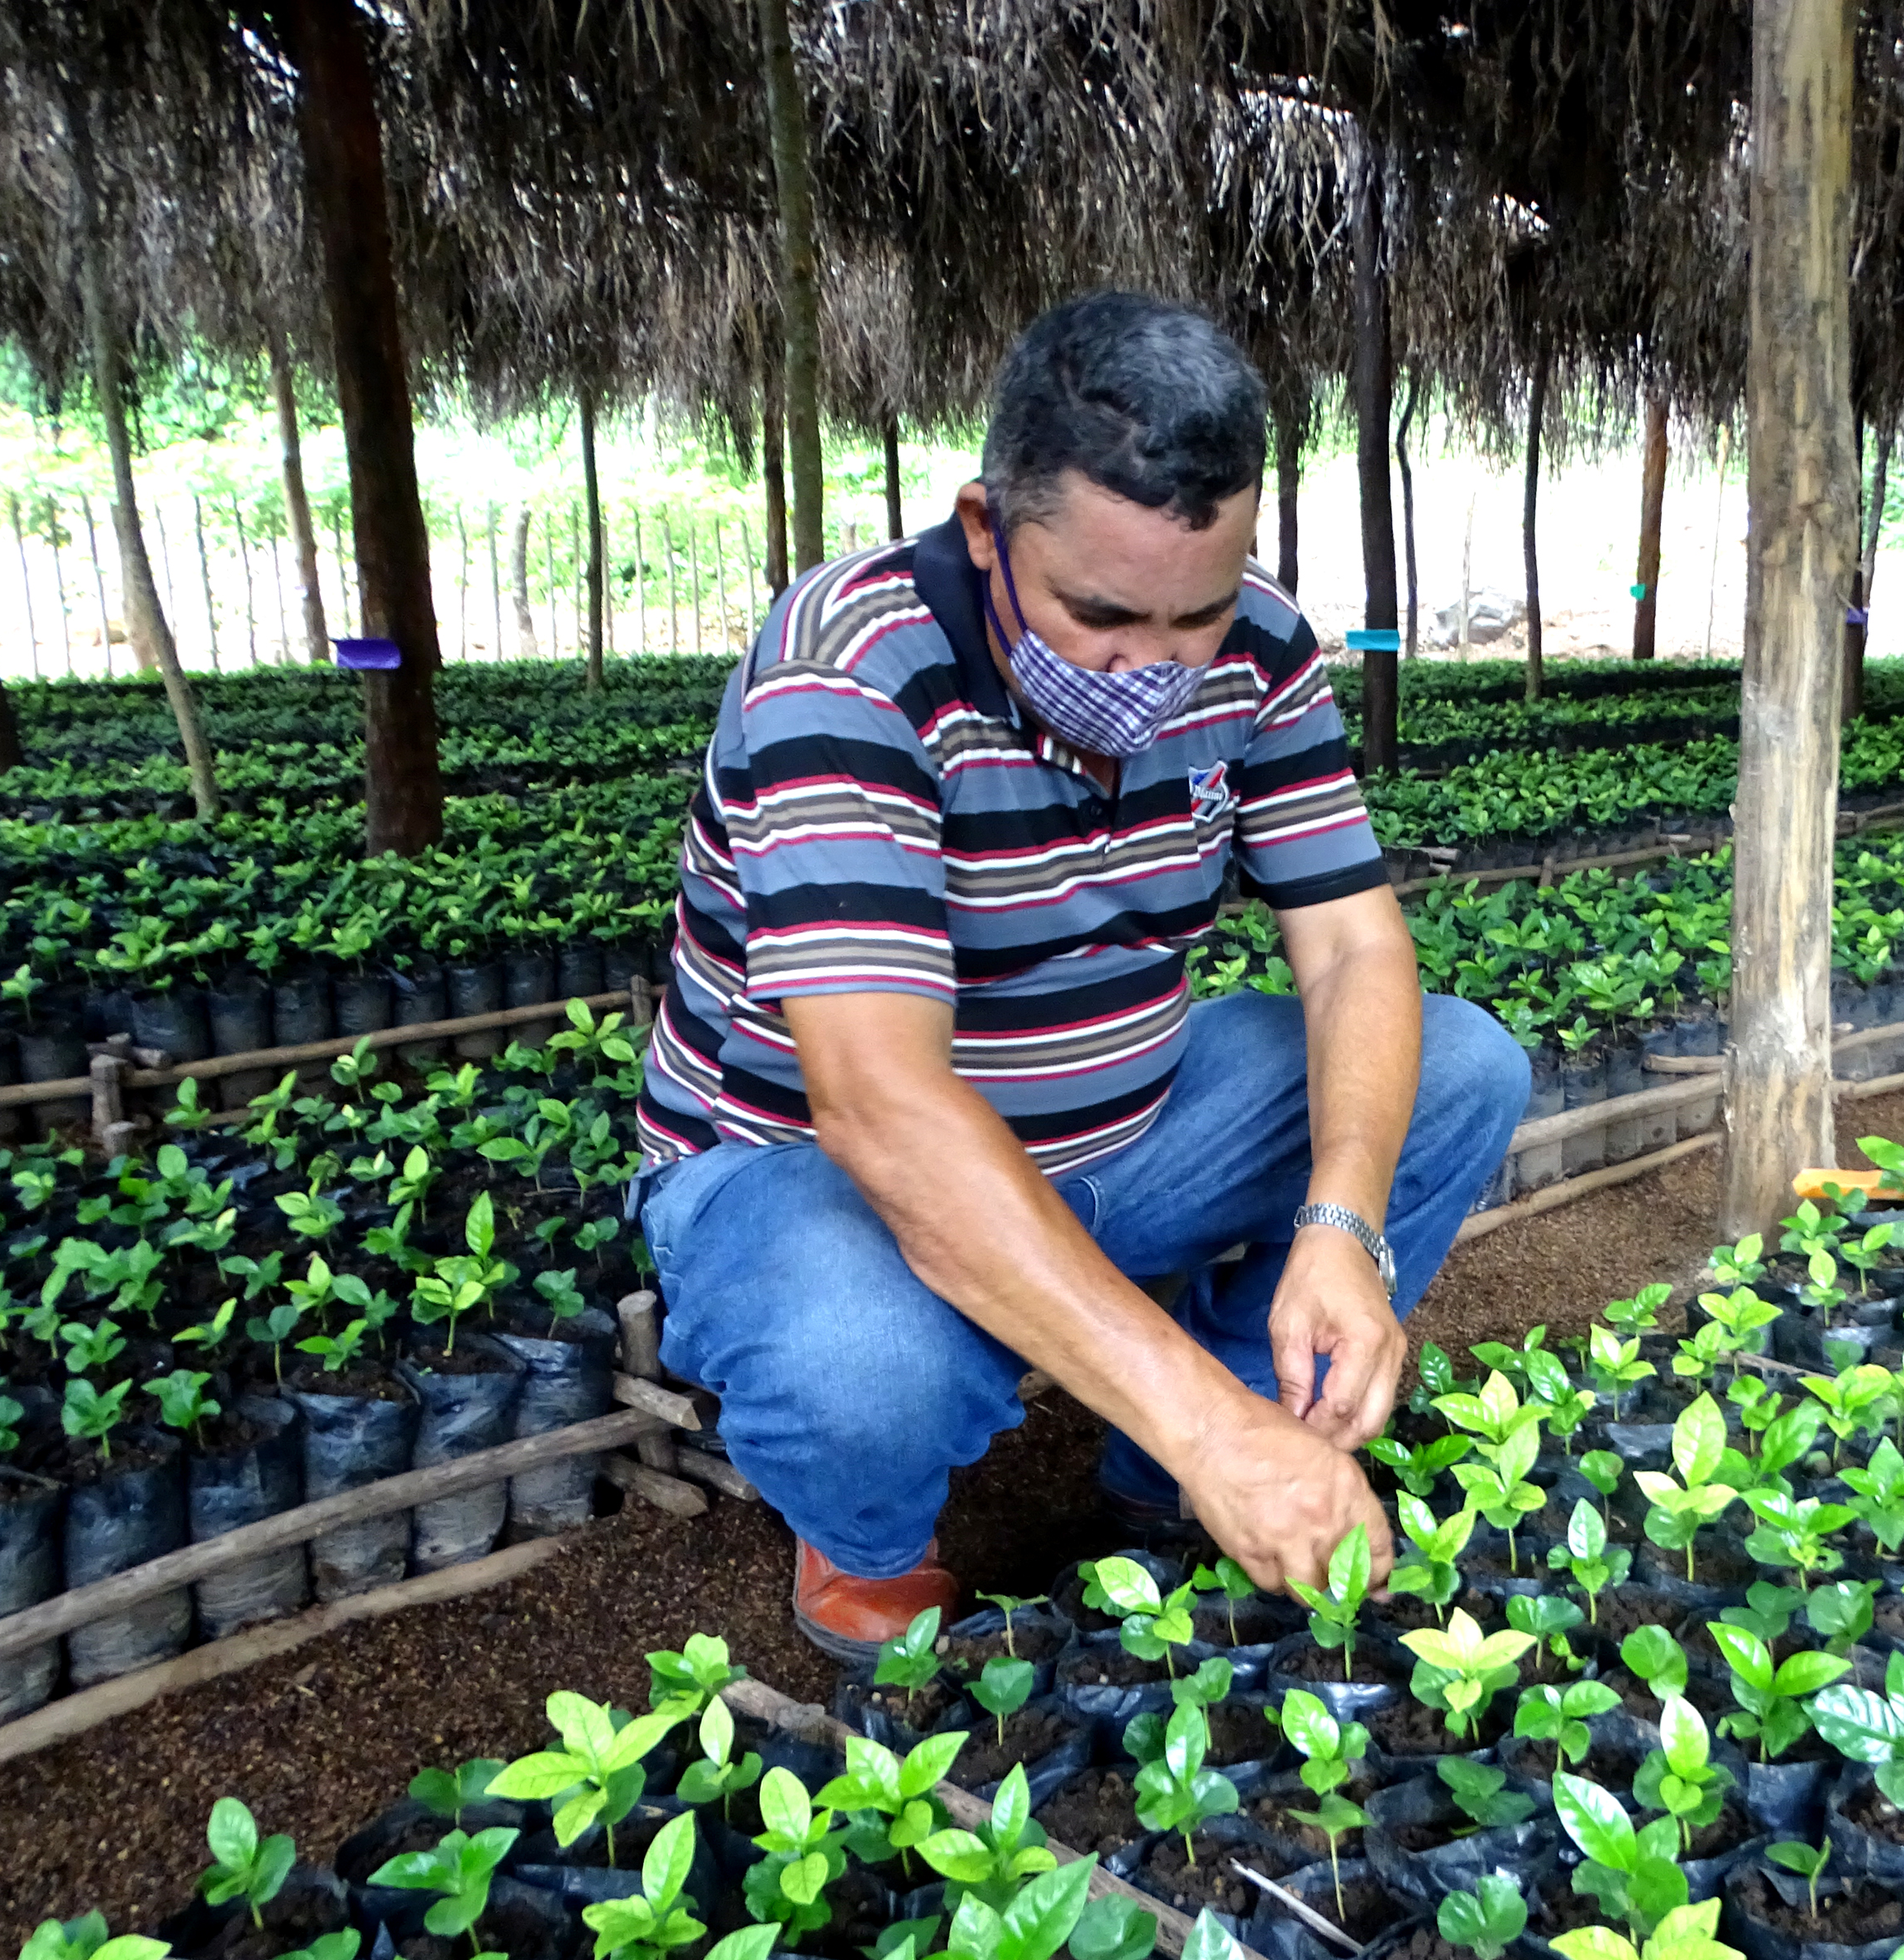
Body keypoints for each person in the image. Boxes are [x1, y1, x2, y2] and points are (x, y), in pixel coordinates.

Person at [629, 292, 1531, 1659]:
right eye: (1104, 612)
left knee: (1461, 1066)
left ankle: (1179, 1476)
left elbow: (1351, 945)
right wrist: (1216, 1425)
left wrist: (1344, 1228)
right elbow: (882, 1111)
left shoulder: (1264, 655)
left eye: (1198, 617)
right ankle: (872, 1540)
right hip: (814, 1175)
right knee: (861, 1364)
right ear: (989, 527)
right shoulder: (854, 670)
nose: (1155, 668)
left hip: (1130, 1127)